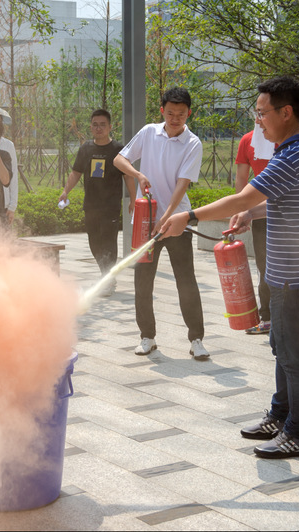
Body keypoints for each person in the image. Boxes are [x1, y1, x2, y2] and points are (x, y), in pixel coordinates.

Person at [159, 76, 299, 459]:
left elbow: (241, 197)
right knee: (282, 345)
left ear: (285, 113)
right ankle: (280, 415)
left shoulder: (293, 155)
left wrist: (188, 216)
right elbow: (272, 200)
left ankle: (298, 433)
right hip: (291, 272)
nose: (258, 121)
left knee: (293, 353)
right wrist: (252, 213)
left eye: (262, 113)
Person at [113, 87, 209, 361]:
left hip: (177, 221)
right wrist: (138, 174)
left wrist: (166, 218)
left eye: (181, 114)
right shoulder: (148, 133)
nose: (175, 119)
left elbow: (182, 184)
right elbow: (119, 159)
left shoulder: (192, 143)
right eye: (170, 113)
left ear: (189, 113)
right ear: (162, 111)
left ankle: (197, 339)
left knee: (186, 280)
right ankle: (147, 337)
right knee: (143, 282)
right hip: (145, 221)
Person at [58, 109, 136, 296]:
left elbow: (128, 176)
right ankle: (106, 275)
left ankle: (107, 279)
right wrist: (65, 191)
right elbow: (76, 173)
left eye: (102, 125)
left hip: (111, 206)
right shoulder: (86, 149)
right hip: (91, 205)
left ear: (110, 127)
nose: (98, 128)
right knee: (94, 242)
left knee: (108, 242)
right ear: (91, 127)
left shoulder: (118, 150)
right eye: (95, 125)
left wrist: (134, 199)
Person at [235, 126, 274, 334]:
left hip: (290, 214)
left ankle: (290, 317)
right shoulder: (248, 140)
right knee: (264, 266)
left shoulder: (292, 136)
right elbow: (242, 178)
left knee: (290, 266)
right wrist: (241, 211)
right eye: (258, 113)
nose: (260, 118)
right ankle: (267, 317)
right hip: (261, 213)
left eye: (264, 113)